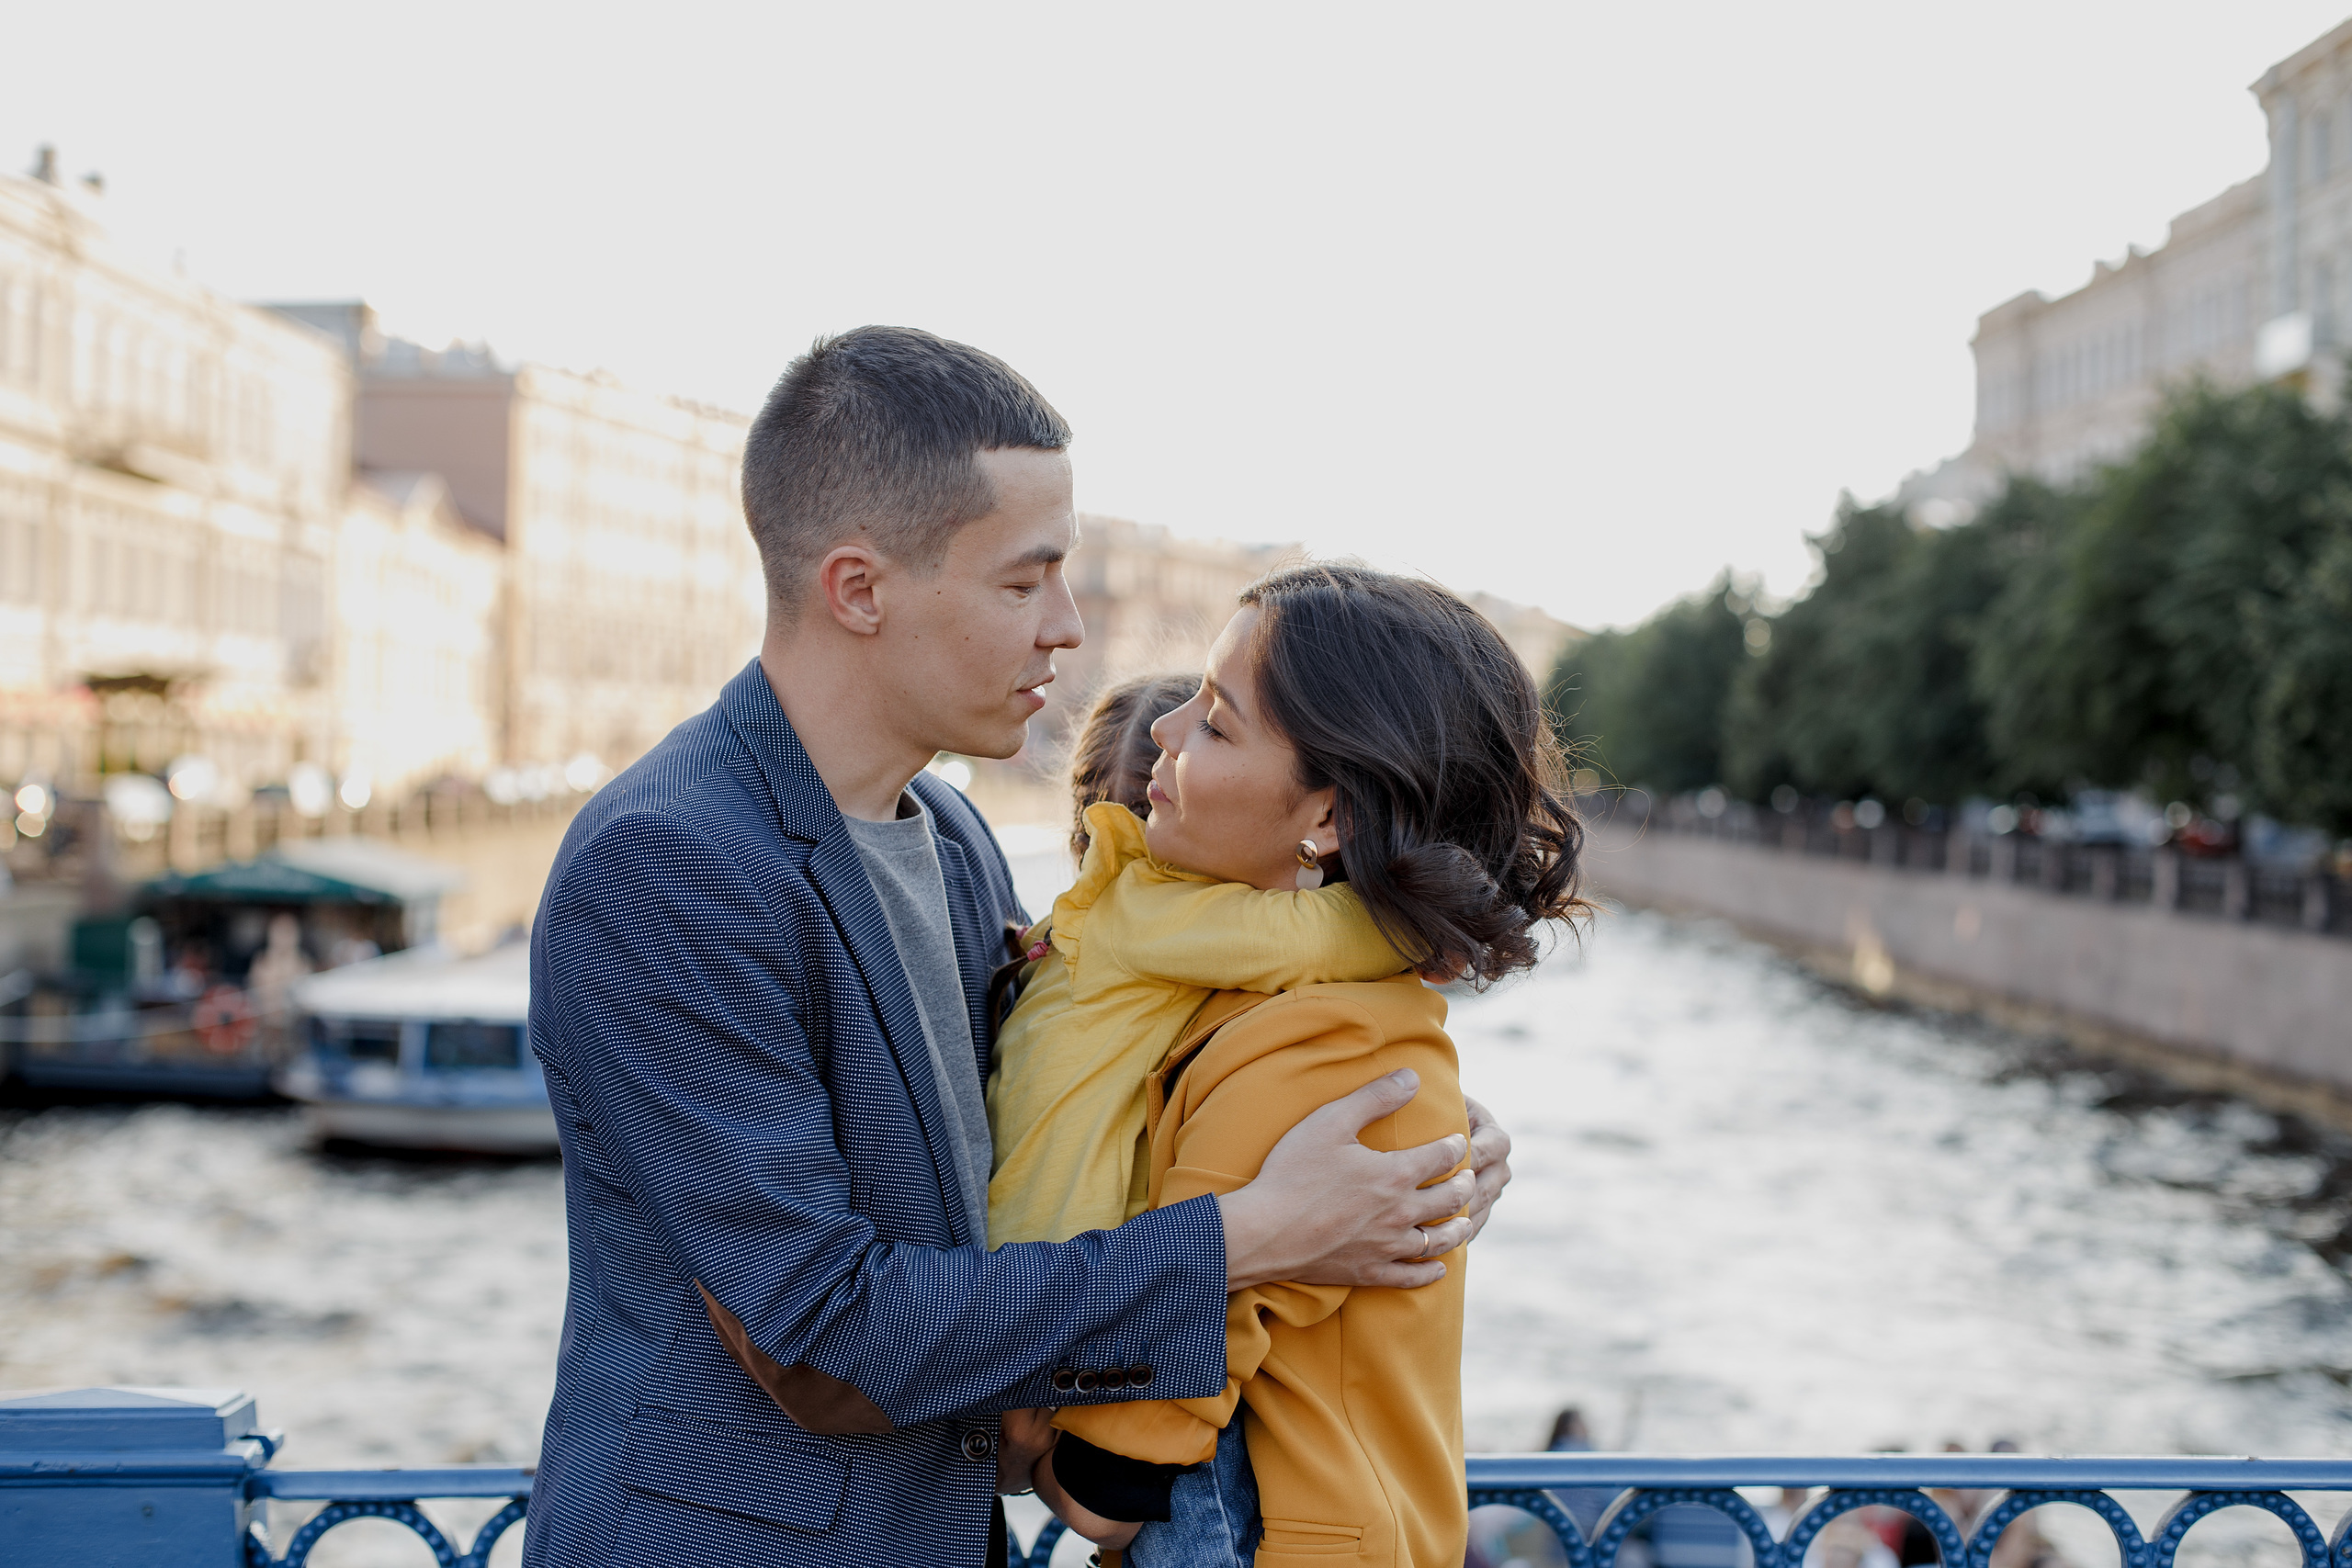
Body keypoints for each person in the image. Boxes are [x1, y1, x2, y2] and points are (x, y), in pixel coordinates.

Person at [521, 327, 1518, 1568]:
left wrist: (1421, 1149)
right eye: (1024, 582)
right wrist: (1254, 1235)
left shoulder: (947, 837)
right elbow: (826, 1332)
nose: (1068, 628)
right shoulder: (665, 864)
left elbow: (1106, 1094)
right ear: (859, 589)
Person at [1005, 568, 1589, 1566]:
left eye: (1215, 723)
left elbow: (1110, 1486)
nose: (1166, 729)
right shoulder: (1342, 1013)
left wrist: (1038, 1449)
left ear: (1328, 820)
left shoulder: (1296, 1049)